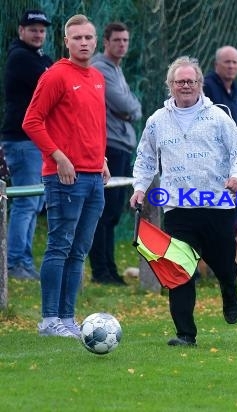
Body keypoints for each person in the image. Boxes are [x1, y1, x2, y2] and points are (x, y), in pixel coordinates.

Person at [129, 56, 237, 346]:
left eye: (191, 81)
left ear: (200, 84)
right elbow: (145, 159)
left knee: (223, 265)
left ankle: (229, 290)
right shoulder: (157, 120)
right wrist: (139, 188)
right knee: (179, 270)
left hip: (216, 205)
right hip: (178, 208)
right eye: (179, 81)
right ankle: (185, 333)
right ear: (170, 85)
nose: (185, 85)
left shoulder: (218, 116)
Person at [22, 14, 109, 338]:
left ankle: (67, 318)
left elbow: (91, 125)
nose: (84, 43)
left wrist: (100, 159)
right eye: (78, 38)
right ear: (66, 41)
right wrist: (58, 158)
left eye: (88, 37)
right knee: (59, 246)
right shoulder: (56, 75)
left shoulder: (98, 77)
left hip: (93, 176)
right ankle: (49, 319)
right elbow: (32, 121)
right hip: (65, 178)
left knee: (78, 250)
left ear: (95, 40)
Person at [1, 9, 53, 280]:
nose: (38, 33)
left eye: (42, 29)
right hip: (23, 141)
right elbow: (54, 84)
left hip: (36, 141)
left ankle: (23, 262)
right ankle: (13, 263)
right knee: (25, 202)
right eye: (32, 28)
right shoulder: (21, 58)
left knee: (33, 202)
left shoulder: (39, 58)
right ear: (21, 31)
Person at [88, 22, 142, 285]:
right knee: (104, 212)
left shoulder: (116, 70)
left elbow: (134, 107)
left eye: (126, 40)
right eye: (117, 40)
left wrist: (129, 110)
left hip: (121, 144)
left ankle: (109, 269)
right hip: (110, 145)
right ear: (106, 42)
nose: (122, 44)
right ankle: (101, 271)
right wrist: (128, 110)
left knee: (112, 213)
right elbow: (124, 104)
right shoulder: (100, 68)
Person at [203, 45, 237, 229]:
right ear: (216, 64)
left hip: (234, 165)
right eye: (227, 62)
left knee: (236, 214)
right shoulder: (206, 88)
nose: (231, 66)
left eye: (235, 62)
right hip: (211, 164)